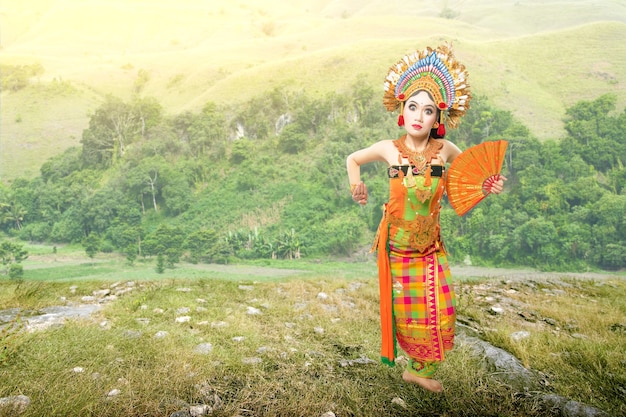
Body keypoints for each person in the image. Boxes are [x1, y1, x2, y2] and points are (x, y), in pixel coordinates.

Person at [346, 44, 505, 393]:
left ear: (438, 118)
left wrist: (487, 185)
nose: (419, 116)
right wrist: (357, 186)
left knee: (442, 308)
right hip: (398, 246)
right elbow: (352, 159)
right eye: (413, 107)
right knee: (407, 313)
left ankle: (419, 369)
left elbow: (466, 183)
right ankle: (414, 369)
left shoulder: (446, 151)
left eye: (428, 110)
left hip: (431, 245)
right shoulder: (388, 148)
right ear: (402, 109)